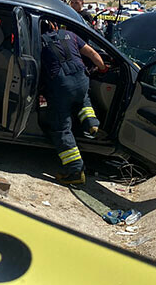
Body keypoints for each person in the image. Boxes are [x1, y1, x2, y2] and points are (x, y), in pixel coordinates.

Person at [40, 21, 107, 185]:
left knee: (61, 128)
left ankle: (75, 171)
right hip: (82, 79)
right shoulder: (70, 35)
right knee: (83, 99)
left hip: (62, 85)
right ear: (55, 26)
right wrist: (103, 68)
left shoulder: (39, 42)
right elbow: (91, 53)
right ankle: (92, 124)